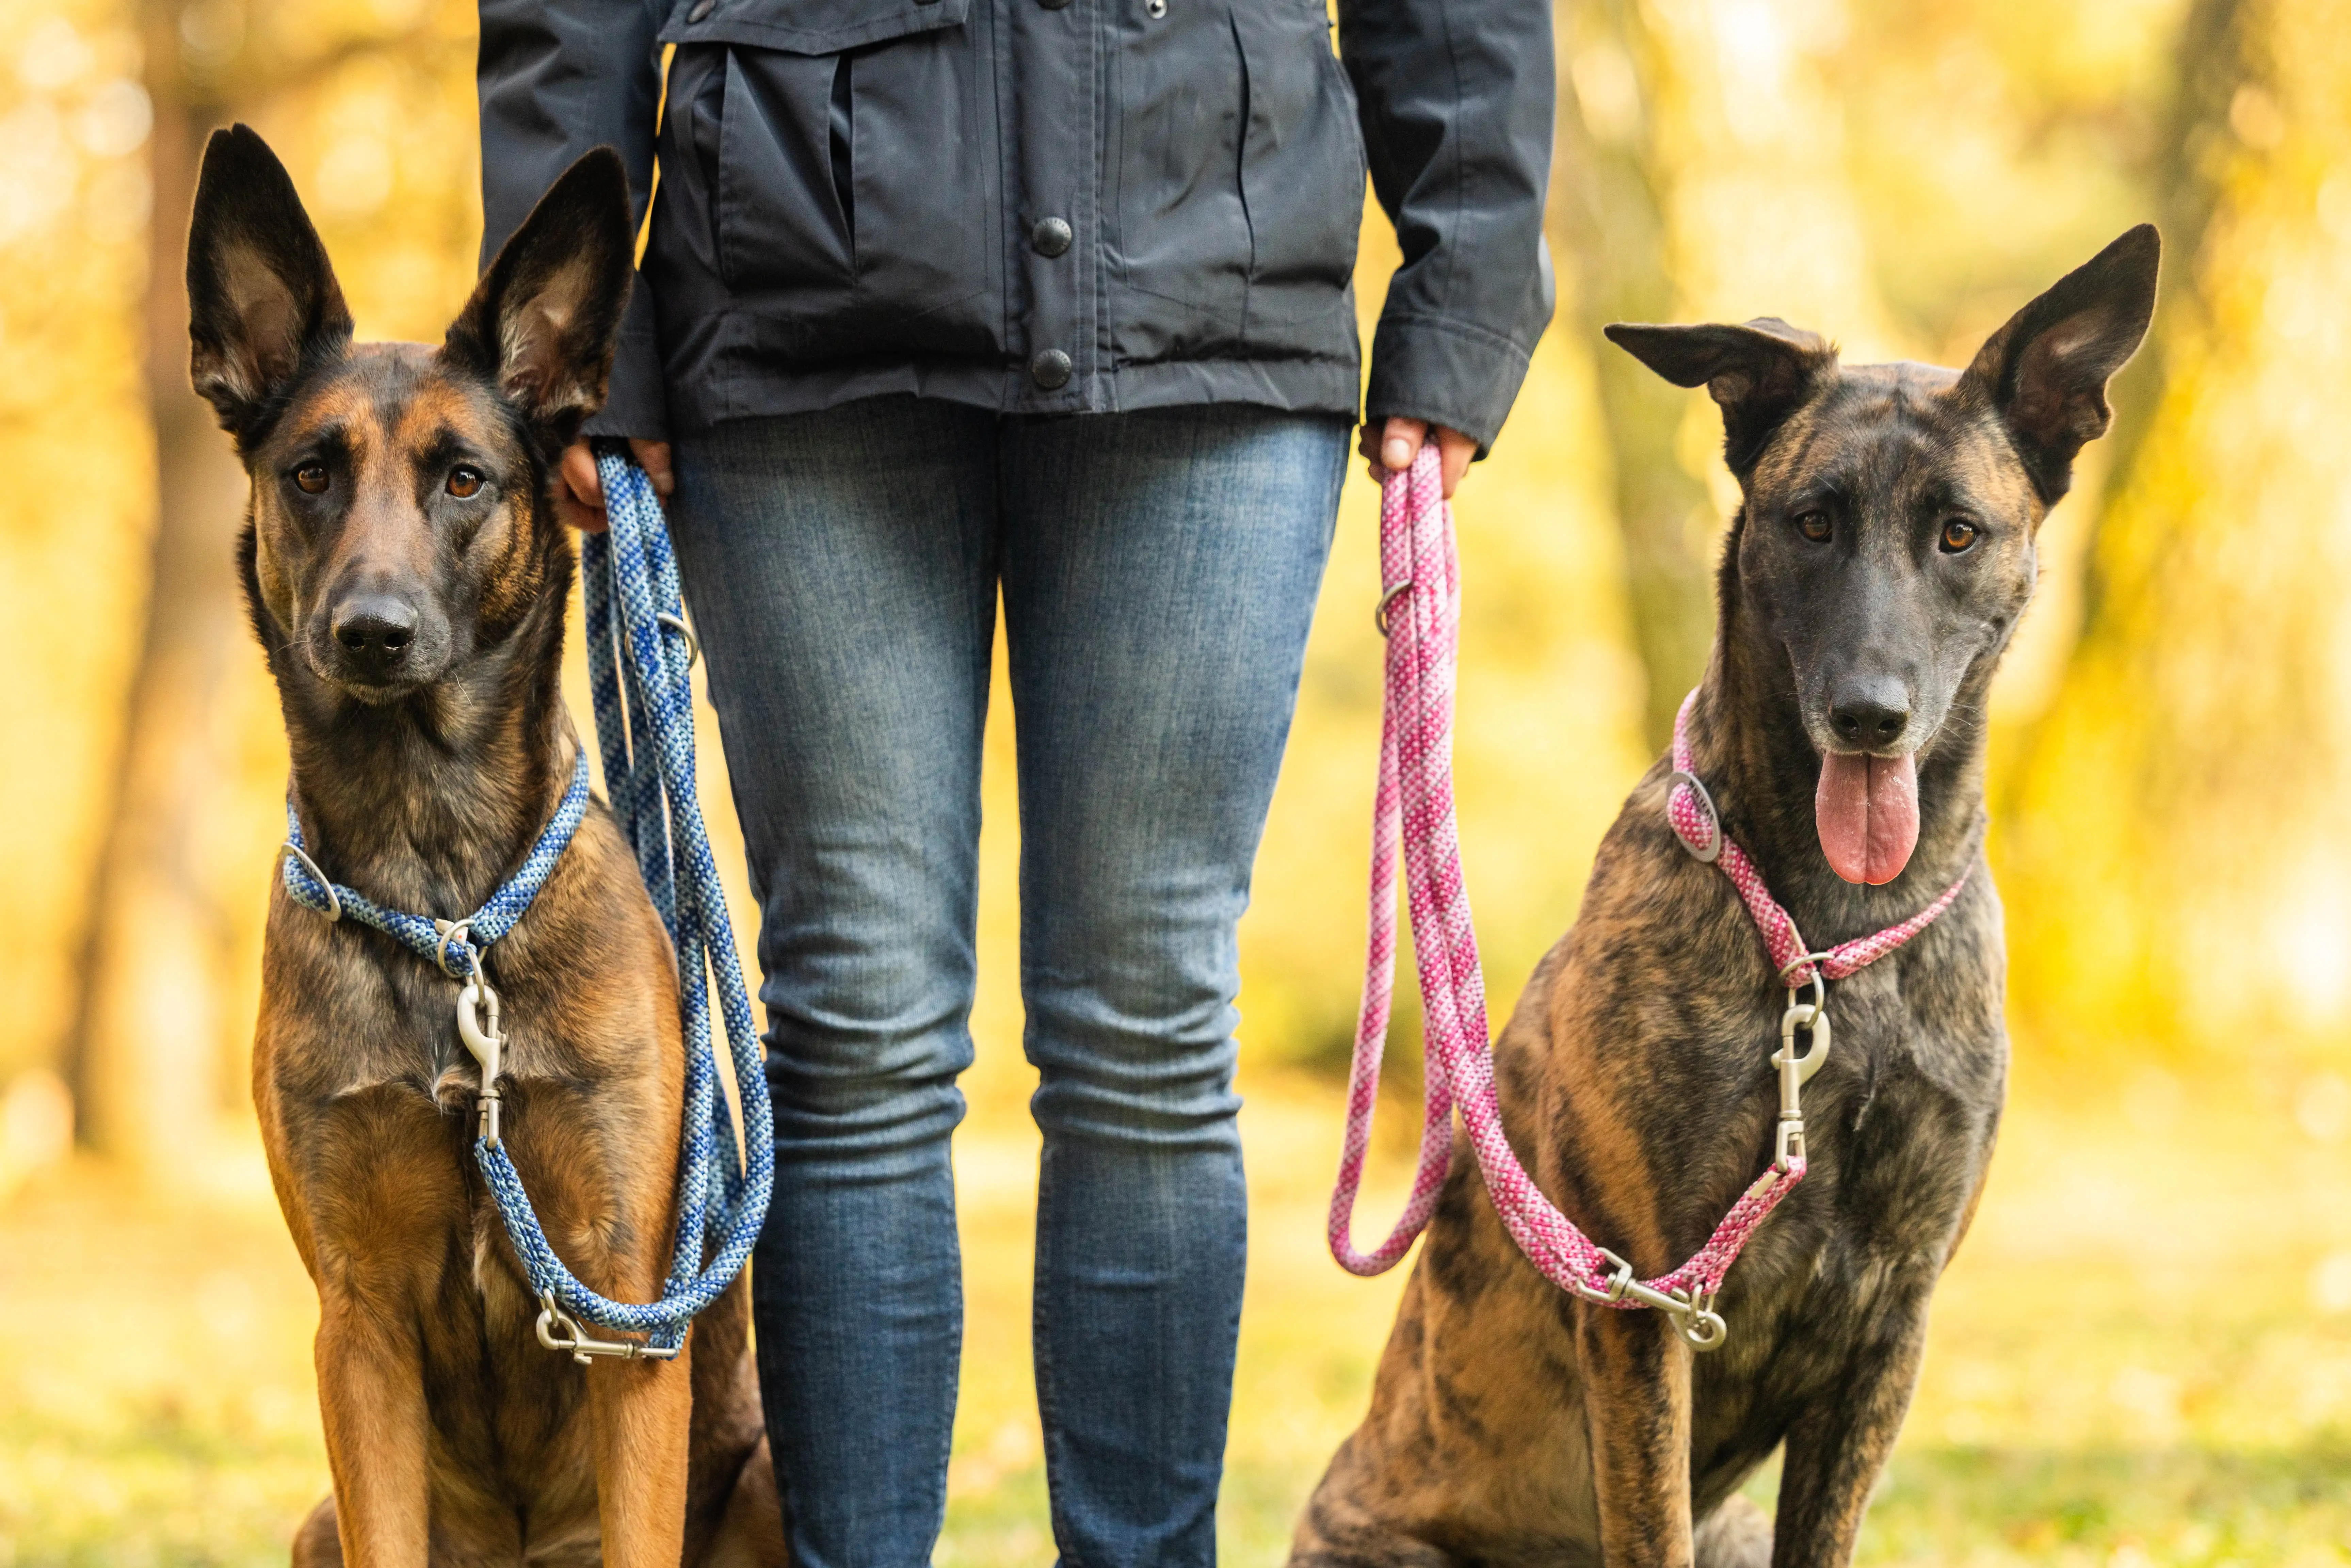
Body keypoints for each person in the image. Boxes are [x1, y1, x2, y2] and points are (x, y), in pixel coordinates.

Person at [476, 0, 1552, 1562]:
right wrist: (578, 339)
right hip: (796, 308)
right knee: (851, 1028)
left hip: (1215, 301)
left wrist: (1462, 296)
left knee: (1151, 1026)